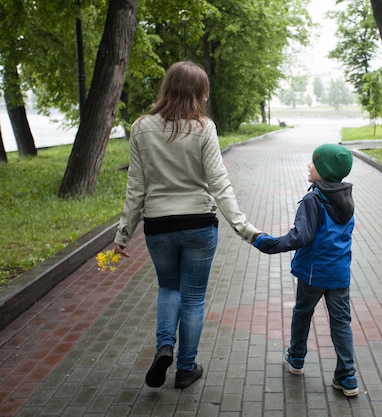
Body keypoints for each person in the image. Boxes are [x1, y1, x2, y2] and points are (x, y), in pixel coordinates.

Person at [113, 61, 260, 389]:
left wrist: (123, 235)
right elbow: (219, 181)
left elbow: (136, 187)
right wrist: (244, 228)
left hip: (158, 226)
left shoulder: (141, 128)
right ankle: (185, 368)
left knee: (168, 288)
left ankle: (164, 345)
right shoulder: (204, 128)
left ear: (167, 87)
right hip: (198, 224)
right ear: (199, 93)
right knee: (193, 298)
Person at [253, 143, 359, 396]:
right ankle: (347, 376)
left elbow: (302, 236)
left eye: (314, 162)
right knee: (341, 322)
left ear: (325, 169)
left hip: (313, 273)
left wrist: (267, 243)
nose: (309, 165)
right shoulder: (346, 196)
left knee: (302, 312)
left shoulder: (314, 199)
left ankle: (297, 358)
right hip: (339, 274)